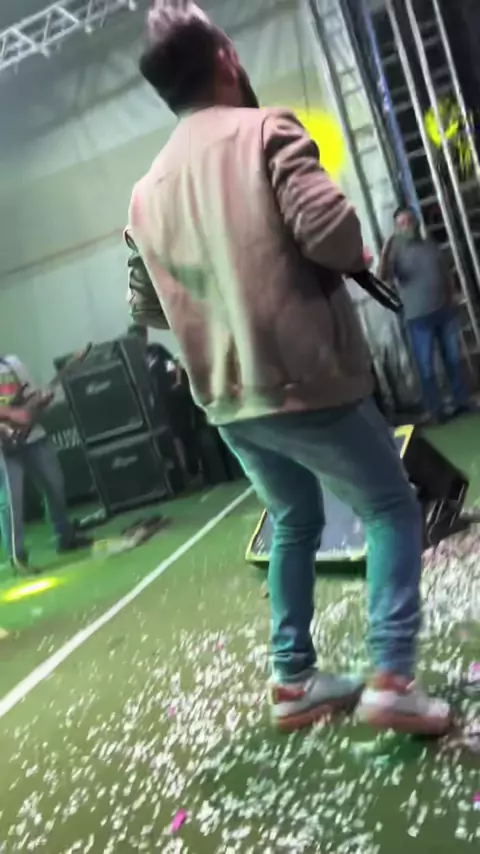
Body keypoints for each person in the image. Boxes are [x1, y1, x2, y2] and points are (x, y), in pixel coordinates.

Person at [125, 3, 451, 736]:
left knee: (296, 518)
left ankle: (294, 680)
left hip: (228, 399)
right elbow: (332, 235)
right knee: (391, 507)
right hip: (305, 378)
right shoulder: (267, 130)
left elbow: (147, 307)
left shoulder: (144, 193)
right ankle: (391, 678)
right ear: (225, 59)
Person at [378, 206, 471, 423]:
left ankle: (461, 402)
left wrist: (452, 296)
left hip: (444, 312)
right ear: (396, 229)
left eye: (409, 221)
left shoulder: (430, 245)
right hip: (418, 318)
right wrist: (386, 249)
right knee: (426, 368)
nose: (407, 226)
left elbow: (445, 273)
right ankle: (435, 411)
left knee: (453, 360)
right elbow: (382, 276)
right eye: (401, 224)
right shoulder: (396, 254)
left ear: (416, 222)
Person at [0, 354, 90, 575]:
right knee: (11, 502)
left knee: (55, 484)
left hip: (33, 437)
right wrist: (12, 414)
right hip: (3, 446)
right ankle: (17, 557)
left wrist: (40, 402)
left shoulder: (12, 363)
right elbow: (14, 413)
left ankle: (64, 536)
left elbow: (30, 397)